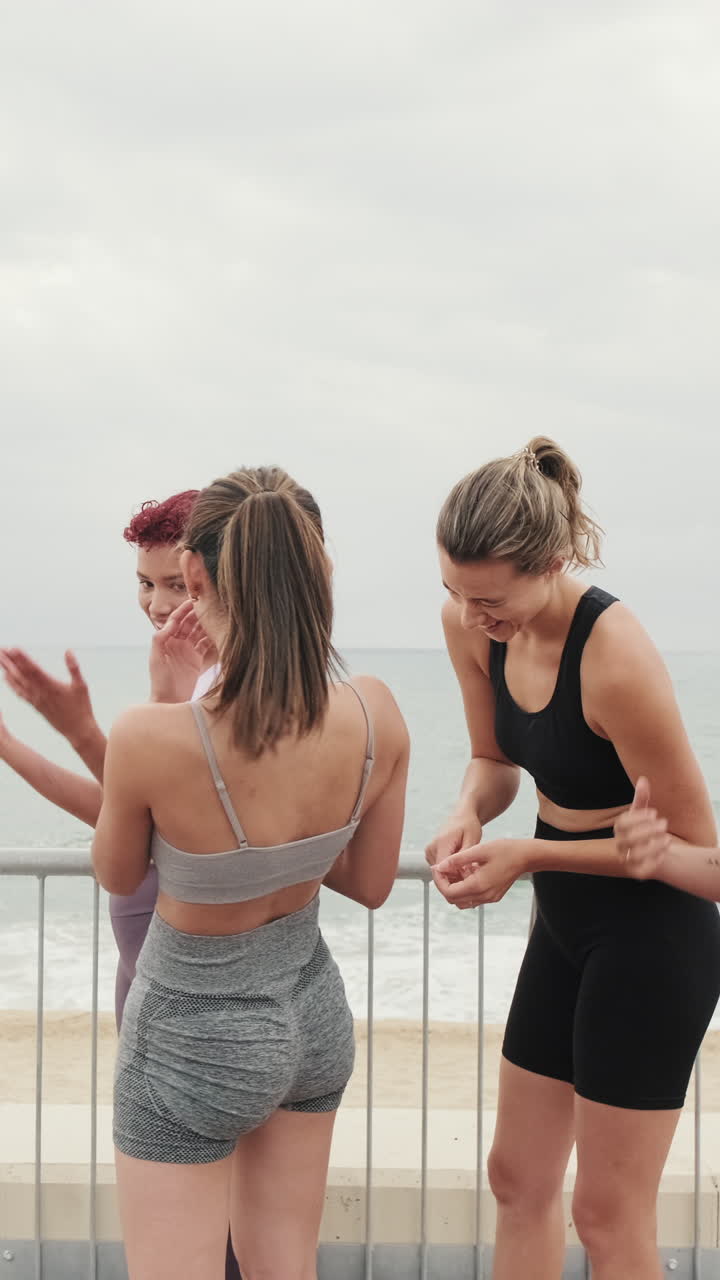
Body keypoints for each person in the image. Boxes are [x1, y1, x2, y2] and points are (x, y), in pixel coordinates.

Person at [91, 465, 409, 1280]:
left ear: (193, 579)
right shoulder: (376, 710)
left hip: (191, 1033)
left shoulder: (152, 737)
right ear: (319, 571)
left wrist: (168, 707)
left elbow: (119, 870)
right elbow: (370, 884)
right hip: (311, 1010)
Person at [425, 438, 720, 1280]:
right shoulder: (469, 625)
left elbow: (704, 858)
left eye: (489, 598)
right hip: (564, 918)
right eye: (453, 590)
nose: (471, 615)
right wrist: (468, 814)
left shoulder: (616, 656)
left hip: (653, 938)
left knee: (606, 1215)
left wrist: (529, 855)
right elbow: (494, 762)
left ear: (553, 562)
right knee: (516, 1179)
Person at [0, 490, 215, 1026]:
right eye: (146, 583)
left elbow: (180, 823)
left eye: (176, 584)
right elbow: (118, 809)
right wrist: (9, 746)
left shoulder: (227, 683)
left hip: (188, 983)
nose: (158, 605)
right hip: (139, 970)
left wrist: (81, 731)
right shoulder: (173, 668)